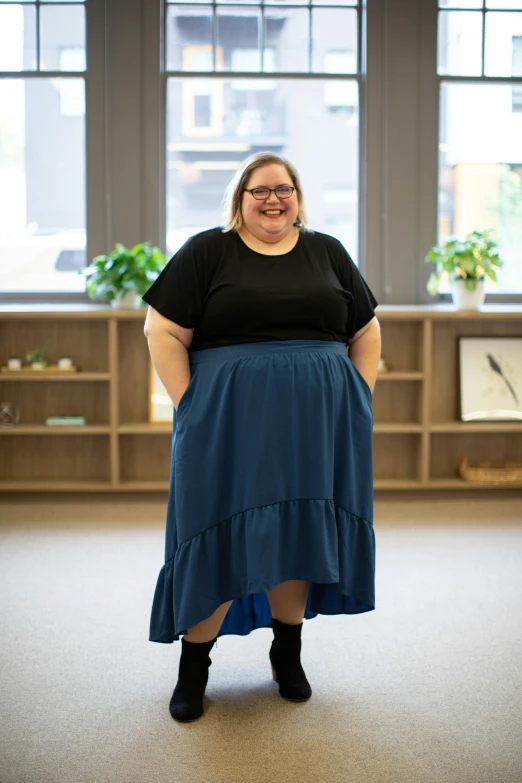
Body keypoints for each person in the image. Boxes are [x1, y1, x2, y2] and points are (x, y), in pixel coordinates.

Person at [142, 152, 381, 724]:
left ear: (298, 196)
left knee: (298, 528)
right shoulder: (207, 250)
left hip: (316, 424)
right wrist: (191, 404)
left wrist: (357, 399)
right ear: (240, 198)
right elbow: (162, 329)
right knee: (215, 526)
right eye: (260, 190)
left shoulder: (327, 251)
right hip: (227, 422)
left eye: (284, 189)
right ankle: (193, 669)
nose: (273, 200)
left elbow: (366, 329)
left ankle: (287, 653)